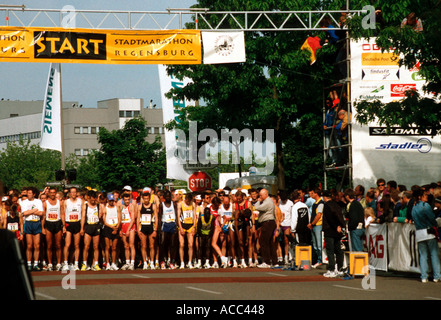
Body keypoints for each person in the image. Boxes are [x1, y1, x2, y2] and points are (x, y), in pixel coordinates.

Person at [411, 187, 440, 283]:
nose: (426, 196)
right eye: (425, 195)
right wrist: (435, 224)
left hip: (419, 233)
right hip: (429, 231)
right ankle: (437, 276)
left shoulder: (414, 207)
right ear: (420, 197)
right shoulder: (425, 205)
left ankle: (424, 276)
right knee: (434, 254)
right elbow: (432, 218)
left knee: (423, 256)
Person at [322, 190, 346, 277]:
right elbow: (339, 216)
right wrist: (340, 226)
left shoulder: (326, 205)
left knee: (330, 250)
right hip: (338, 231)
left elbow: (329, 218)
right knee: (338, 250)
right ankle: (340, 268)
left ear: (325, 197)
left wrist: (335, 226)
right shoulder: (336, 204)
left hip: (330, 230)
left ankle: (331, 269)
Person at [253, 188, 278, 268]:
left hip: (267, 223)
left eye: (261, 195)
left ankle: (267, 261)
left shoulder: (267, 202)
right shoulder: (268, 201)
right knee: (270, 243)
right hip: (269, 223)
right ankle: (274, 261)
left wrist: (258, 200)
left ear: (265, 194)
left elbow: (257, 207)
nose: (259, 196)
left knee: (264, 242)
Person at [21, 186, 44, 271]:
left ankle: (36, 263)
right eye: (27, 193)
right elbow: (24, 213)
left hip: (36, 222)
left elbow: (41, 213)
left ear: (34, 194)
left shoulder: (38, 201)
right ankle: (29, 263)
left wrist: (30, 211)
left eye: (30, 193)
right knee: (29, 245)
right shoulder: (24, 202)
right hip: (28, 223)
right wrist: (34, 211)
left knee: (37, 245)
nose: (28, 195)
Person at [62, 187, 84, 271]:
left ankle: (76, 263)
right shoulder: (66, 202)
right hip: (68, 223)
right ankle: (65, 263)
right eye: (72, 192)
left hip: (77, 223)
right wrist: (63, 226)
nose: (73, 194)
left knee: (76, 245)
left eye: (75, 192)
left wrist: (82, 228)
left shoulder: (80, 202)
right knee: (67, 244)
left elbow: (82, 215)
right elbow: (63, 214)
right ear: (69, 193)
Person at [42, 187, 63, 271]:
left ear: (56, 193)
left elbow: (62, 214)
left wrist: (64, 226)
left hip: (57, 223)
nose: (52, 194)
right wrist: (42, 227)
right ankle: (50, 263)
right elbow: (43, 216)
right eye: (51, 192)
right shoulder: (45, 203)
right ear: (48, 193)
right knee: (49, 245)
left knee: (58, 245)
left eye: (54, 192)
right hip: (48, 223)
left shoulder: (59, 202)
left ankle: (58, 263)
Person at [81, 190, 102, 271]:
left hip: (96, 226)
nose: (93, 201)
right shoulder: (85, 206)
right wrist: (82, 228)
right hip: (88, 226)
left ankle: (96, 264)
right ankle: (84, 263)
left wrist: (100, 215)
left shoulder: (99, 206)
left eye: (94, 199)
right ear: (89, 198)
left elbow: (100, 217)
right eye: (92, 200)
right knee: (86, 246)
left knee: (96, 246)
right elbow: (83, 217)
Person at [137, 190, 158, 270]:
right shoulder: (140, 207)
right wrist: (138, 230)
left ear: (149, 198)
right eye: (145, 199)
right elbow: (138, 218)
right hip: (143, 228)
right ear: (142, 198)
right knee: (143, 246)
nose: (146, 200)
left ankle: (152, 262)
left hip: (151, 228)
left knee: (152, 246)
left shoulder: (153, 206)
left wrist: (155, 230)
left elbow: (156, 218)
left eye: (147, 199)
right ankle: (145, 262)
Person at [159, 190, 178, 270]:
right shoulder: (161, 205)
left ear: (171, 197)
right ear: (164, 197)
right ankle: (162, 260)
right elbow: (159, 216)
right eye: (166, 196)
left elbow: (176, 214)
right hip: (165, 224)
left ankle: (171, 262)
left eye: (169, 196)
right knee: (163, 243)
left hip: (172, 224)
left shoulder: (173, 204)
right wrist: (159, 228)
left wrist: (176, 226)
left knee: (172, 244)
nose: (168, 198)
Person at [177, 193, 197, 269]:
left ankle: (189, 262)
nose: (188, 202)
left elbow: (195, 216)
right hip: (183, 224)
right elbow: (178, 217)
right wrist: (180, 227)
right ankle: (182, 262)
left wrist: (194, 227)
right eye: (187, 201)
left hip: (190, 225)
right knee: (181, 244)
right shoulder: (180, 204)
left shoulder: (193, 204)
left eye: (189, 201)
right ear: (185, 199)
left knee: (190, 244)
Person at [233, 191, 252, 268]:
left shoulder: (247, 203)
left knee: (248, 241)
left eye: (240, 199)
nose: (238, 200)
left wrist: (253, 225)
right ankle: (239, 259)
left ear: (243, 197)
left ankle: (249, 260)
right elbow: (235, 220)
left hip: (245, 222)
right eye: (237, 199)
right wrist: (238, 236)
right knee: (238, 242)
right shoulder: (235, 206)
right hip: (237, 224)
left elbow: (251, 216)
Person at [118, 192, 137, 270]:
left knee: (131, 245)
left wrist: (128, 229)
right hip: (123, 226)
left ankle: (132, 263)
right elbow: (120, 218)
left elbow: (133, 219)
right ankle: (127, 262)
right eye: (125, 200)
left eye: (128, 200)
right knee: (126, 246)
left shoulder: (131, 206)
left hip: (130, 226)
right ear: (123, 200)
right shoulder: (121, 207)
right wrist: (120, 229)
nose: (127, 201)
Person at [102, 193, 121, 271]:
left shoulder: (116, 208)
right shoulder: (105, 208)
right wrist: (112, 227)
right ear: (108, 200)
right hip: (108, 228)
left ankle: (113, 263)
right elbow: (104, 221)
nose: (111, 202)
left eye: (113, 200)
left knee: (114, 247)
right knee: (107, 246)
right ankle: (107, 263)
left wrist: (116, 228)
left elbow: (119, 218)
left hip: (115, 227)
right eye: (110, 201)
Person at [308, 188, 324, 268]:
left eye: (313, 193)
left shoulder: (320, 203)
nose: (311, 195)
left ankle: (320, 260)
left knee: (318, 244)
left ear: (316, 194)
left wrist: (312, 223)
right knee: (315, 245)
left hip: (318, 225)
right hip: (314, 225)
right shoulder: (315, 203)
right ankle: (318, 259)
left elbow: (318, 215)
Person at [278, 190, 294, 265]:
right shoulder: (279, 202)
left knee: (286, 240)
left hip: (287, 224)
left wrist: (292, 226)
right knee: (277, 240)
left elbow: (292, 214)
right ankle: (280, 256)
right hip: (280, 224)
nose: (283, 201)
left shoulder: (290, 203)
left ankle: (286, 257)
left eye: (284, 200)